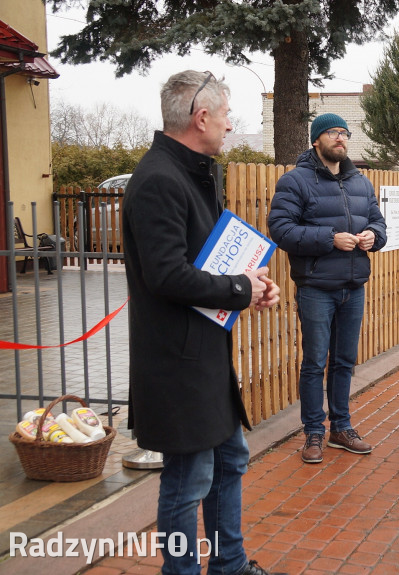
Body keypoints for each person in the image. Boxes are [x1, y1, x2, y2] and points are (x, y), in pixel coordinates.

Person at [123, 70, 282, 575]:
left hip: (204, 356)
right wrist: (238, 290)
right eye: (228, 115)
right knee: (187, 481)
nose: (231, 126)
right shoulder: (157, 181)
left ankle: (229, 565)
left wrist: (251, 287)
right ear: (202, 117)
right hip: (176, 361)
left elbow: (210, 262)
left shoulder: (194, 172)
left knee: (230, 462)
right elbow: (167, 275)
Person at [268, 113, 387, 464]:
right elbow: (281, 229)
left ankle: (341, 427)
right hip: (316, 287)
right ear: (316, 140)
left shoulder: (360, 183)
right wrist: (329, 238)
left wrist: (373, 237)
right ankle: (314, 433)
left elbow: (378, 223)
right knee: (315, 362)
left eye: (345, 133)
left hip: (354, 286)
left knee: (345, 361)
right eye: (333, 132)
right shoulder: (295, 182)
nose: (341, 138)